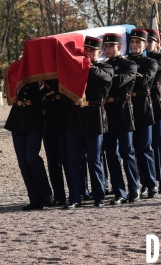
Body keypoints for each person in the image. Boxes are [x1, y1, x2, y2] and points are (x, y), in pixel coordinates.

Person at [65, 36, 113, 209]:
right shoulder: (77, 68)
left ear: (99, 52)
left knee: (94, 160)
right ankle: (75, 197)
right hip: (75, 116)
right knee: (74, 160)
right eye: (86, 49)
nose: (88, 53)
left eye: (92, 50)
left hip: (94, 116)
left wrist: (86, 64)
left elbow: (104, 78)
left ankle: (99, 196)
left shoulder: (105, 67)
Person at [103, 33, 140, 204]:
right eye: (105, 46)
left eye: (110, 46)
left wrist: (105, 77)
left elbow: (119, 82)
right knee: (111, 154)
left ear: (119, 47)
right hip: (108, 112)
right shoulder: (103, 65)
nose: (107, 49)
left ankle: (134, 187)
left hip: (123, 111)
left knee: (127, 153)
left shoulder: (129, 64)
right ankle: (119, 192)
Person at [5, 81, 53, 210]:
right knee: (23, 162)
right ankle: (34, 198)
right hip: (17, 119)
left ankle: (46, 195)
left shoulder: (39, 73)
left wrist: (41, 85)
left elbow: (49, 93)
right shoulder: (16, 71)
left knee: (31, 157)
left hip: (34, 118)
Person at [127, 29, 159, 199]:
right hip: (128, 107)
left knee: (145, 148)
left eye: (138, 42)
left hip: (143, 107)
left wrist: (128, 76)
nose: (134, 45)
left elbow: (145, 79)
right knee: (131, 149)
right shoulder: (125, 61)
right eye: (132, 42)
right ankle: (138, 183)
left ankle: (151, 183)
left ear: (145, 45)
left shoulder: (150, 62)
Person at [42, 79, 73, 206]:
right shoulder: (41, 77)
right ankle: (59, 195)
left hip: (64, 122)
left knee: (67, 160)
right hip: (48, 123)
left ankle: (74, 194)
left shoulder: (62, 74)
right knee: (52, 161)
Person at [145, 30, 161, 194]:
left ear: (156, 43)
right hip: (141, 104)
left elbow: (154, 69)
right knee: (143, 145)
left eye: (150, 41)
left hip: (155, 102)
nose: (146, 44)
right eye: (144, 41)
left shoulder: (160, 58)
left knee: (157, 142)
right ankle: (147, 180)